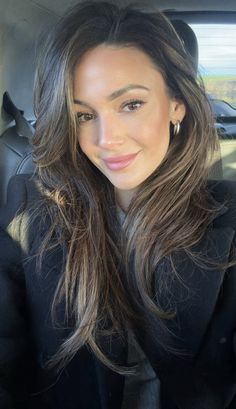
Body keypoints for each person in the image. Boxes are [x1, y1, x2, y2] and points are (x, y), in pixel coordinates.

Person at [0, 1, 236, 408]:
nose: (105, 139)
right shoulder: (30, 208)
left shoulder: (229, 218)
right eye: (84, 116)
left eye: (130, 105)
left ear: (176, 103)